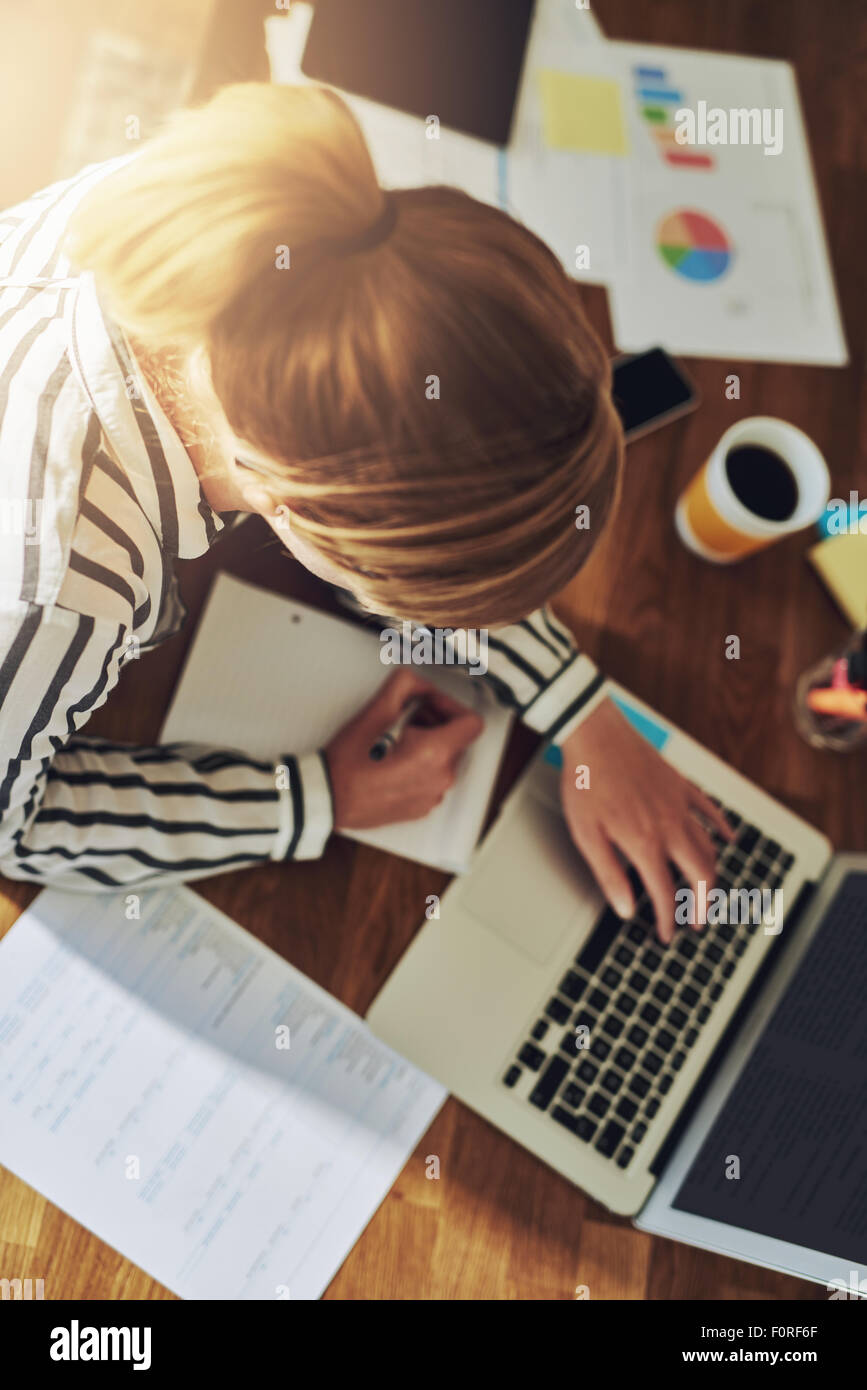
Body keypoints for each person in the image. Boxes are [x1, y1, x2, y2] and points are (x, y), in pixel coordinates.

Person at [0, 83, 728, 939]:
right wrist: (316, 799)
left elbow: (398, 447)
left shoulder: (254, 228)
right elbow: (14, 826)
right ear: (295, 511)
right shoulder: (57, 591)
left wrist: (583, 710)